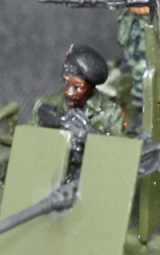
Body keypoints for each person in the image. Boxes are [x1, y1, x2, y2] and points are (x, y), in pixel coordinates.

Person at [30, 45, 129, 174]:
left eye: (78, 88)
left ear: (91, 88)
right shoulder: (45, 104)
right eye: (65, 82)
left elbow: (122, 158)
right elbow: (28, 144)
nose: (69, 92)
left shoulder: (111, 114)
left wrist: (89, 136)